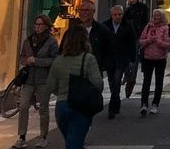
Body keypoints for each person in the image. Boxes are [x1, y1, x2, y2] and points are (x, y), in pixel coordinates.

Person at [46, 21, 104, 149]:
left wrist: (62, 92)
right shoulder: (88, 59)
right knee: (75, 143)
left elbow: (50, 85)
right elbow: (98, 84)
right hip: (81, 106)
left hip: (61, 106)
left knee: (72, 141)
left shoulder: (59, 60)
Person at [14, 14, 58, 148]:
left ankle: (43, 136)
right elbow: (22, 56)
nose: (38, 27)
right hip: (28, 79)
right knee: (23, 106)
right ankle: (21, 136)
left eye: (40, 25)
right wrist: (25, 60)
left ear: (46, 26)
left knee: (43, 108)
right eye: (36, 24)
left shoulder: (51, 41)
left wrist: (37, 61)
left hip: (43, 79)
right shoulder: (28, 40)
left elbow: (54, 59)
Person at [102, 6, 137, 120]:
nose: (118, 17)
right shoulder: (105, 25)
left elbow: (132, 42)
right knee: (112, 82)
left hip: (121, 58)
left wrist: (132, 58)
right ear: (111, 15)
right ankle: (116, 102)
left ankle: (112, 108)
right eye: (115, 15)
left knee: (117, 81)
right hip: (109, 58)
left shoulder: (127, 25)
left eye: (120, 14)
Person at [137, 9, 170, 116]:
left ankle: (155, 104)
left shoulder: (165, 28)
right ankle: (144, 104)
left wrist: (158, 41)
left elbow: (168, 44)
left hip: (160, 58)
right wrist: (148, 40)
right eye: (154, 16)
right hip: (148, 57)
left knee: (159, 82)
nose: (156, 18)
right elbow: (141, 41)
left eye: (158, 16)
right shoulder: (148, 27)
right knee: (146, 81)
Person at [76, 2, 111, 77]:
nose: (83, 13)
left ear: (93, 12)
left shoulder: (102, 30)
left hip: (95, 71)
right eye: (81, 10)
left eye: (87, 10)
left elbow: (109, 50)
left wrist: (103, 67)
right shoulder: (73, 30)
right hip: (76, 70)